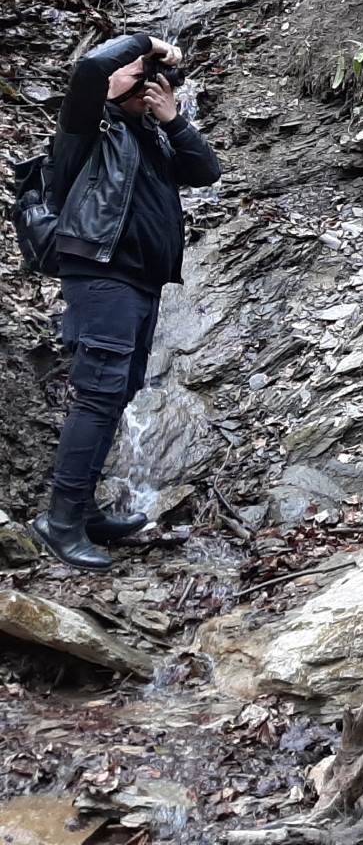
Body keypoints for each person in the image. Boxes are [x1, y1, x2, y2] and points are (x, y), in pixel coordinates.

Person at [30, 32, 221, 571]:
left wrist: (172, 118)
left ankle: (83, 510)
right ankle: (60, 520)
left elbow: (207, 173)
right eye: (137, 77)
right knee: (98, 392)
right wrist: (148, 45)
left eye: (152, 82)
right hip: (99, 272)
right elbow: (92, 69)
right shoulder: (88, 129)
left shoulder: (154, 138)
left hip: (142, 281)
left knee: (116, 391)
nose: (145, 86)